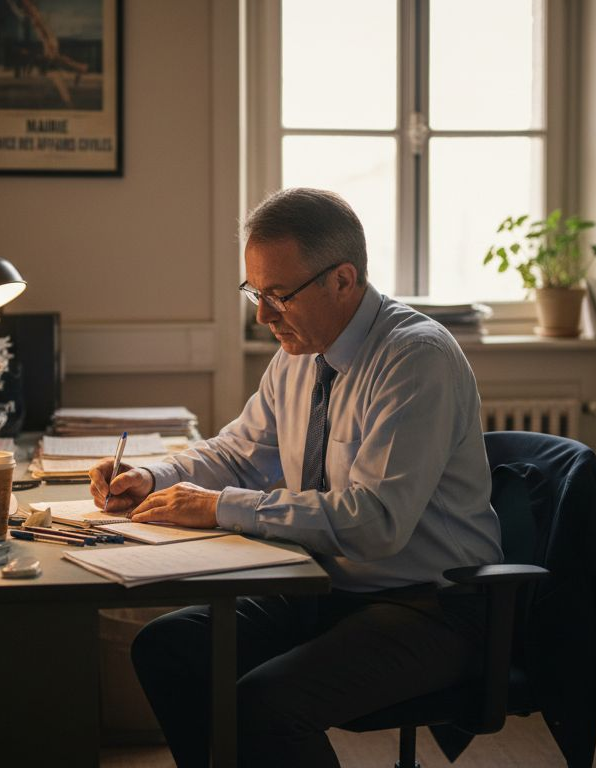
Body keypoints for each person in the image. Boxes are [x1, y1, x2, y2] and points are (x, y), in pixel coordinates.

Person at [88, 188, 503, 767]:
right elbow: (238, 452)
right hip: (328, 587)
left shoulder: (416, 359)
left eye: (279, 295)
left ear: (343, 279)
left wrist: (219, 507)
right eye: (255, 293)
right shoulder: (299, 352)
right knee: (168, 649)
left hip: (430, 606)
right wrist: (151, 476)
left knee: (266, 706)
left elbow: (376, 523)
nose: (262, 316)